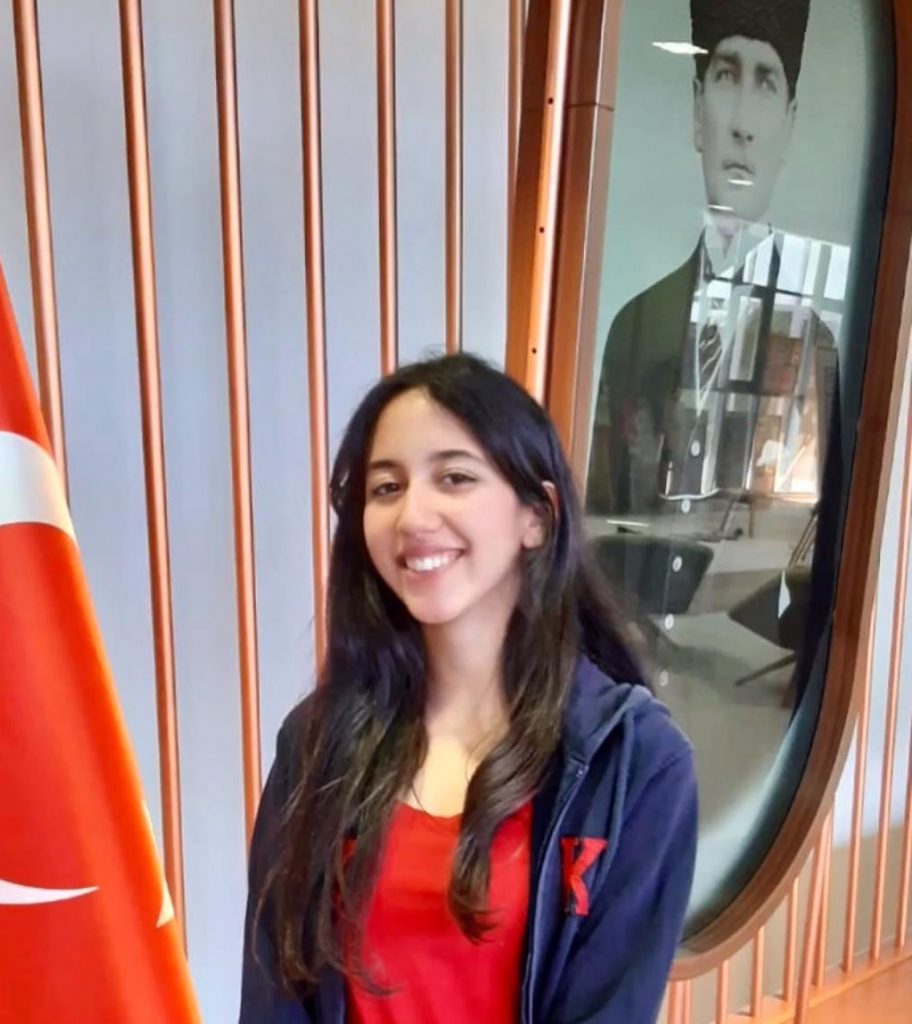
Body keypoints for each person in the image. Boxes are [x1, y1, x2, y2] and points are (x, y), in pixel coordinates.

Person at [241, 354, 697, 1023]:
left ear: (536, 516)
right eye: (386, 488)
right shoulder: (314, 742)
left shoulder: (636, 762)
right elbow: (276, 994)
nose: (412, 515)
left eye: (454, 477)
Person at [587, 0, 835, 518]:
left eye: (766, 83)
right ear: (699, 111)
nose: (742, 124)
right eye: (726, 75)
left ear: (789, 124)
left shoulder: (812, 343)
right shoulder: (633, 322)